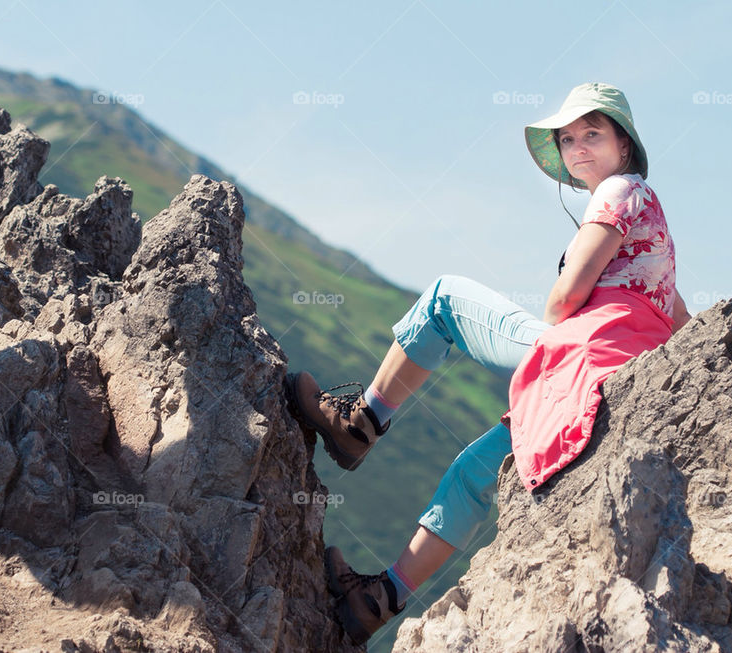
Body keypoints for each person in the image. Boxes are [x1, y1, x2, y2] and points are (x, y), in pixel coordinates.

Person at [285, 82, 692, 645]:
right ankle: (378, 602)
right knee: (476, 473)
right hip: (613, 389)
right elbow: (685, 327)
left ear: (624, 146)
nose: (577, 147)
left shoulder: (620, 191)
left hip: (580, 356)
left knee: (445, 298)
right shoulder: (655, 233)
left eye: (592, 133)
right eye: (568, 138)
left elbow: (562, 301)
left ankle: (360, 423)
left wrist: (567, 301)